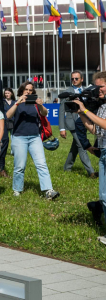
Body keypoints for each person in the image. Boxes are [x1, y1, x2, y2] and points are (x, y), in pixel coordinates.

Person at [6, 82, 60, 200]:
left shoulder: (36, 103)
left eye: (30, 90)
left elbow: (45, 113)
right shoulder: (17, 103)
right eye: (26, 89)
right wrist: (17, 103)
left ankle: (48, 190)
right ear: (21, 91)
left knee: (41, 164)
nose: (28, 92)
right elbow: (8, 115)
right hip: (19, 137)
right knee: (20, 166)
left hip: (35, 137)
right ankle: (17, 190)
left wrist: (40, 105)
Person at [74, 71, 106, 245]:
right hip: (104, 151)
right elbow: (95, 130)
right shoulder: (102, 106)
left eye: (100, 86)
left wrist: (85, 109)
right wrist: (80, 112)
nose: (97, 90)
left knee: (105, 195)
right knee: (104, 194)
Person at [60, 71, 97, 178]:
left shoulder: (87, 91)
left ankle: (67, 167)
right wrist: (62, 128)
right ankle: (91, 172)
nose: (74, 81)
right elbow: (62, 111)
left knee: (75, 146)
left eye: (76, 78)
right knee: (82, 145)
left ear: (82, 79)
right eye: (72, 79)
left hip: (84, 123)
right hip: (72, 123)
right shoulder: (66, 92)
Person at [0, 87, 17, 177]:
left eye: (8, 93)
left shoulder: (15, 102)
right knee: (5, 140)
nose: (7, 94)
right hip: (5, 122)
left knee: (14, 138)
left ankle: (14, 151)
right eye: (5, 93)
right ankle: (0, 168)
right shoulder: (2, 102)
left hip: (13, 122)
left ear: (11, 94)